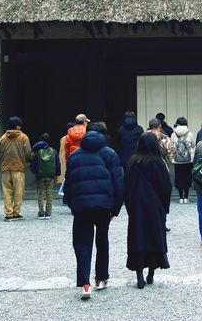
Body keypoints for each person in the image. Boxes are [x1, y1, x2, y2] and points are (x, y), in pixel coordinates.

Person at [64, 126, 124, 300]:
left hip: (82, 206)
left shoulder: (75, 156)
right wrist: (116, 208)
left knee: (82, 243)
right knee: (102, 240)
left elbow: (69, 184)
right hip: (104, 205)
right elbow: (118, 183)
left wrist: (72, 204)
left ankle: (85, 283)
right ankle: (100, 278)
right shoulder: (110, 154)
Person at [125, 132, 172, 288]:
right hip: (155, 206)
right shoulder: (158, 163)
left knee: (137, 238)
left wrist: (128, 205)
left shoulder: (132, 162)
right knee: (154, 238)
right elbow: (166, 187)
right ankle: (151, 273)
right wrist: (164, 208)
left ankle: (139, 274)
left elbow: (126, 186)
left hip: (137, 206)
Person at [0, 116, 32, 221]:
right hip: (18, 167)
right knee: (18, 191)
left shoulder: (2, 138)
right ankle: (16, 213)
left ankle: (8, 213)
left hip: (5, 167)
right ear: (18, 126)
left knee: (7, 191)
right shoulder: (23, 137)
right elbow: (28, 153)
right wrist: (27, 160)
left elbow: (0, 154)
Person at [30, 133, 60, 219]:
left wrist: (34, 172)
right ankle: (48, 212)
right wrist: (57, 175)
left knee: (40, 193)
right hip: (50, 175)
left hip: (40, 176)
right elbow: (57, 164)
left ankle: (41, 212)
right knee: (49, 194)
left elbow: (34, 164)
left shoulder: (38, 151)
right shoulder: (54, 151)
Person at [170, 117, 195, 203]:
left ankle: (180, 197)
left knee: (179, 177)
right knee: (187, 177)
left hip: (177, 160)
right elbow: (193, 145)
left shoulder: (173, 134)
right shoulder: (190, 134)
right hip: (188, 160)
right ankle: (186, 197)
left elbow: (171, 146)